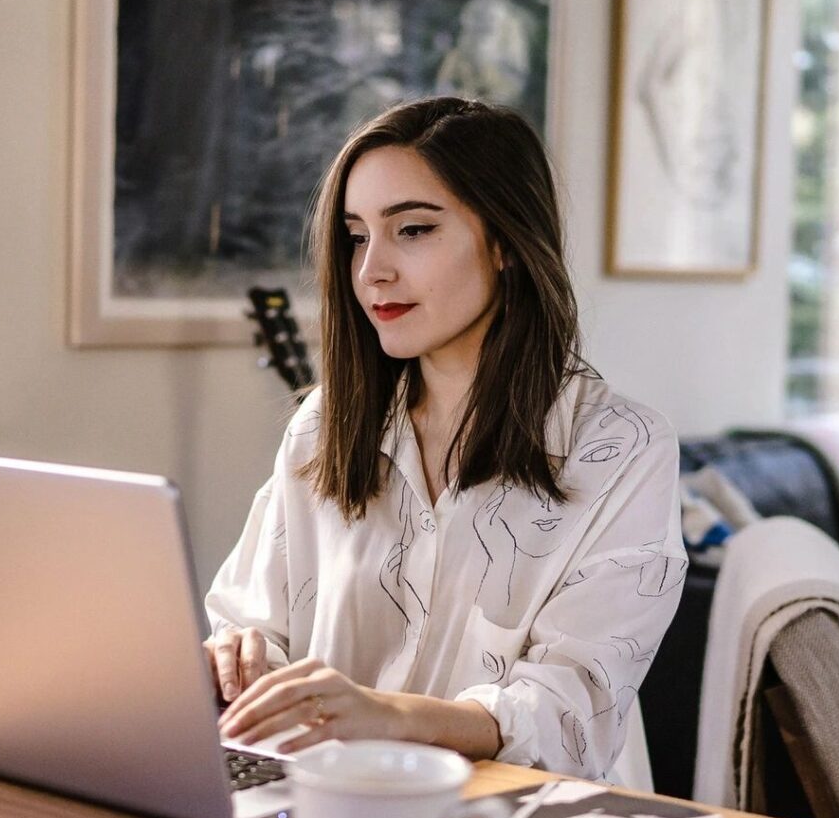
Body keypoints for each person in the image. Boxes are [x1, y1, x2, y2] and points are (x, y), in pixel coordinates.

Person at [208, 96, 686, 782]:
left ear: (504, 242)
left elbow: (570, 710)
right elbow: (251, 624)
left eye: (413, 230)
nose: (373, 270)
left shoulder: (623, 450)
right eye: (356, 235)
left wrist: (385, 715)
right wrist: (239, 655)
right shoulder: (322, 425)